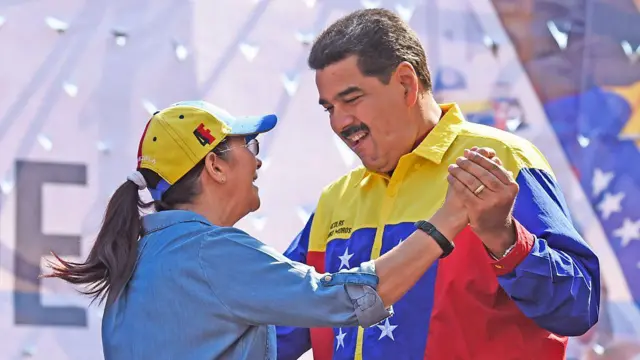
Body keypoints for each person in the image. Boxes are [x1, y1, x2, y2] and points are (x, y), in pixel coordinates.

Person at [43, 100, 493, 359]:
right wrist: (448, 218)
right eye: (248, 145)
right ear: (215, 165)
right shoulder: (211, 253)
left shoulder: (141, 256)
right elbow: (348, 298)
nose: (257, 160)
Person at [276, 8, 601, 360]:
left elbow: (578, 307)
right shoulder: (336, 199)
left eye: (352, 99)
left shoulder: (501, 158)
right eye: (329, 108)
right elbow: (274, 331)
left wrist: (505, 239)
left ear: (405, 83)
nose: (340, 123)